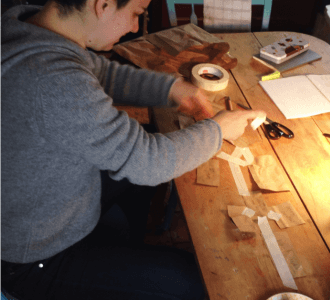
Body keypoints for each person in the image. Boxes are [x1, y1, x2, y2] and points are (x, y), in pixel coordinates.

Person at [0, 0, 265, 298]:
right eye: (136, 13)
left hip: (49, 199)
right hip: (34, 256)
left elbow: (100, 73)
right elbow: (148, 162)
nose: (135, 27)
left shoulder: (25, 25)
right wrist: (219, 130)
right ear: (103, 5)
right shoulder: (50, 78)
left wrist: (171, 89)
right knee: (191, 282)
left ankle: (127, 259)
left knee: (139, 171)